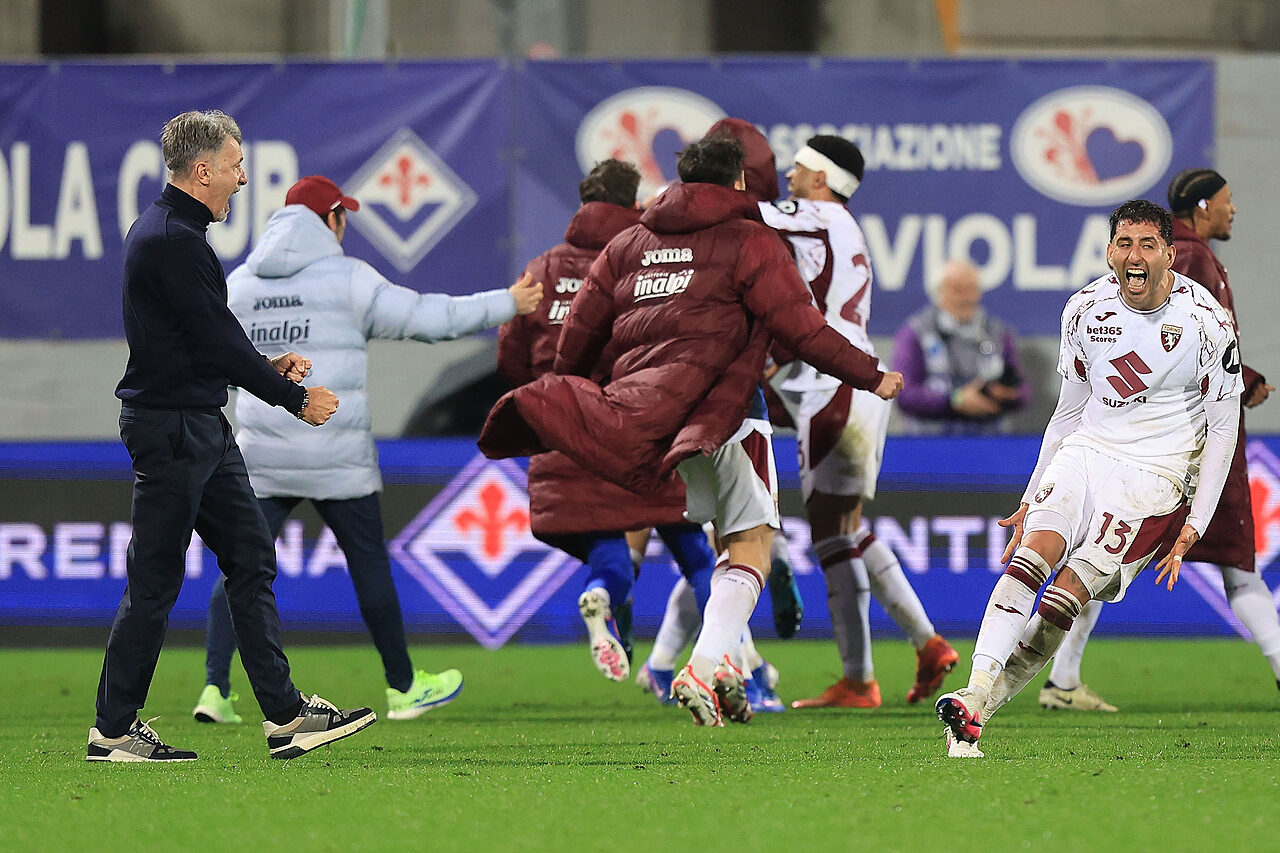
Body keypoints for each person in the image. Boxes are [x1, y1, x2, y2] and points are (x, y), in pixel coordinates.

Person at [479, 134, 902, 726]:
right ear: (736, 184)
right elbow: (801, 328)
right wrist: (870, 374)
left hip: (656, 422)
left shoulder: (628, 243)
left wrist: (569, 397)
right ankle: (704, 664)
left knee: (717, 545)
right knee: (750, 544)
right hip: (726, 411)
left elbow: (579, 332)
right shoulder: (752, 240)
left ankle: (724, 666)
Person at [190, 174, 542, 725]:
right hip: (336, 454)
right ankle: (403, 688)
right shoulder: (349, 279)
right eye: (343, 217)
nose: (346, 226)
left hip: (262, 455)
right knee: (369, 567)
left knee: (240, 568)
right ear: (330, 220)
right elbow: (431, 320)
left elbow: (215, 365)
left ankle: (213, 689)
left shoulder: (241, 284)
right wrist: (508, 303)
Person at [90, 111, 376, 762]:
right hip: (174, 430)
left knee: (250, 556)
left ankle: (284, 715)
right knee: (156, 584)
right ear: (202, 171)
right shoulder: (173, 239)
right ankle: (111, 731)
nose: (243, 178)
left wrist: (266, 370)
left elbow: (200, 339)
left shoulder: (172, 232)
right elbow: (214, 338)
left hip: (197, 423)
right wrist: (294, 397)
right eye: (234, 165)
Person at [936, 199, 1243, 758]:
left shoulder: (1207, 322)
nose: (1135, 256)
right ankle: (976, 694)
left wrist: (1196, 520)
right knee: (1027, 560)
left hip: (1156, 477)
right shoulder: (1084, 309)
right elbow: (1069, 412)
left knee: (1064, 600)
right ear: (1109, 251)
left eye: (1148, 245)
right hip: (1087, 451)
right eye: (1124, 244)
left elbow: (1224, 428)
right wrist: (1032, 494)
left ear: (1170, 254)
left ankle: (980, 705)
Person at [1035, 170, 1280, 711]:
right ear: (1201, 207)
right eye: (1227, 200)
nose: (1233, 210)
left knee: (1101, 558)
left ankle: (1063, 680)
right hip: (1180, 448)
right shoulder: (1184, 261)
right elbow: (1179, 350)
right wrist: (1247, 381)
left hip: (1169, 446)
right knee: (1237, 568)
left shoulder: (1189, 257)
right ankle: (1057, 679)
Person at [496, 159, 718, 685]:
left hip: (561, 428)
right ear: (633, 205)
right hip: (636, 426)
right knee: (696, 553)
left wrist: (540, 403)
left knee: (609, 554)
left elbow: (510, 354)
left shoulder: (540, 269)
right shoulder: (644, 262)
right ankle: (728, 668)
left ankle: (600, 597)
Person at [759, 134, 959, 709]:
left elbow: (738, 214)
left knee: (830, 535)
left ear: (820, 179)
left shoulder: (816, 214)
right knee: (846, 527)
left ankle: (859, 679)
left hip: (833, 382)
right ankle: (925, 643)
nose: (788, 177)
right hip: (843, 378)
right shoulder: (841, 224)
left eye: (797, 170)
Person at [893, 258, 1029, 435]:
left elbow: (1024, 391)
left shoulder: (997, 333)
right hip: (931, 443)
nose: (968, 297)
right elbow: (904, 393)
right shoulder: (916, 332)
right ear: (938, 293)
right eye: (958, 289)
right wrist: (953, 401)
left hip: (990, 442)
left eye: (973, 288)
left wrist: (1007, 394)